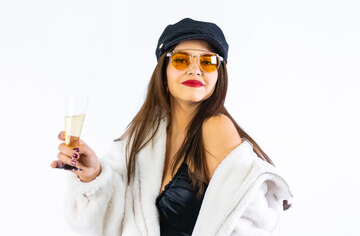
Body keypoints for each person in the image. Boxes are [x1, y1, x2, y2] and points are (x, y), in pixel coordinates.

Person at [51, 18, 292, 236]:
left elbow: (244, 225)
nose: (195, 68)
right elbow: (104, 225)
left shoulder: (216, 129)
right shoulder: (142, 138)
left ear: (219, 75)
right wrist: (93, 176)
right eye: (181, 59)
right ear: (163, 72)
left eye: (208, 62)